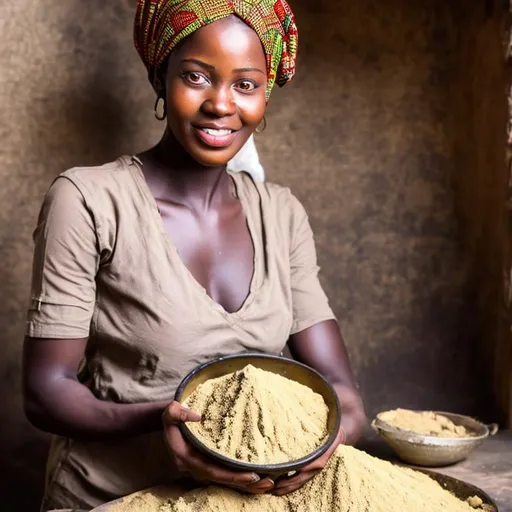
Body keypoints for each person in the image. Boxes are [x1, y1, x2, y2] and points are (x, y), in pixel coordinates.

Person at [22, 1, 367, 510]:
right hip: (112, 496)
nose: (221, 104)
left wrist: (327, 444)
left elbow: (344, 393)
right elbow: (45, 390)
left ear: (266, 95)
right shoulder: (90, 199)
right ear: (161, 77)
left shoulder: (281, 214)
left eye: (245, 84)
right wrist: (159, 421)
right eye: (197, 77)